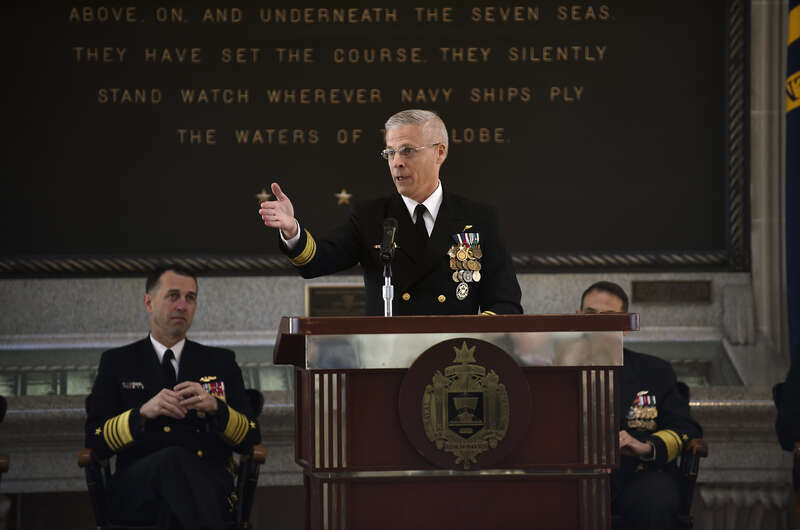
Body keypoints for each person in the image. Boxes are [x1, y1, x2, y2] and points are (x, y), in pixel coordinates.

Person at [258, 109, 522, 316]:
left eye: (407, 151)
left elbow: (505, 303)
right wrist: (292, 231)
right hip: (389, 360)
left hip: (454, 357)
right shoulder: (371, 216)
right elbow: (317, 261)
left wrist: (473, 338)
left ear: (439, 152)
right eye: (391, 152)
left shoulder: (478, 218)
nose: (397, 162)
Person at [84, 267, 261, 530]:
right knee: (171, 461)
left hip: (208, 486)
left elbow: (251, 438)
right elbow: (95, 441)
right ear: (148, 302)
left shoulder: (220, 361)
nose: (182, 305)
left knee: (176, 494)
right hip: (139, 489)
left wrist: (216, 408)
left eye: (190, 298)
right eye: (173, 296)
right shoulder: (118, 362)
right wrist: (141, 414)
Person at [578, 281, 702, 530]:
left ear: (625, 326)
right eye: (590, 314)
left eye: (609, 318)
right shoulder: (553, 369)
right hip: (572, 477)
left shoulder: (654, 372)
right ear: (578, 317)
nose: (597, 323)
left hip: (637, 475)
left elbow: (684, 428)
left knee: (655, 498)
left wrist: (646, 447)